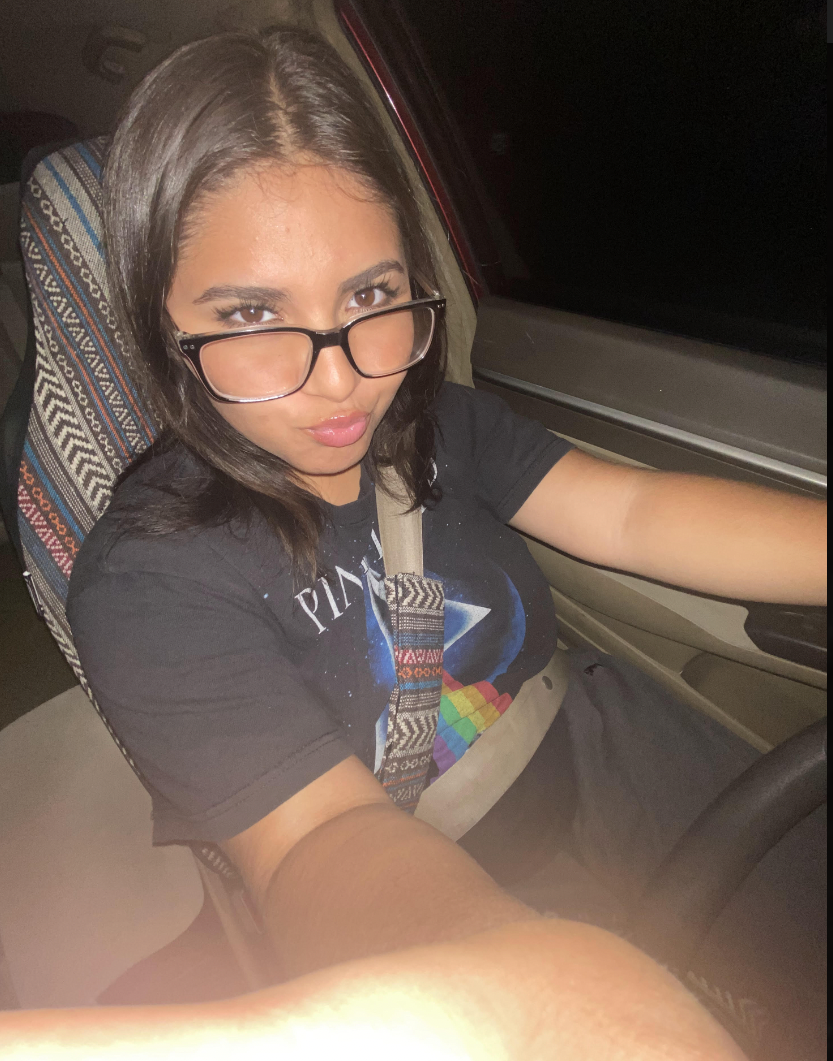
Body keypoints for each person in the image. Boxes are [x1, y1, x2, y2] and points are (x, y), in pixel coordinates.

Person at [1, 26, 824, 1060]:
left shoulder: (436, 425)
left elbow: (629, 513)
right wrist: (511, 993)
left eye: (371, 296)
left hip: (605, 741)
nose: (341, 379)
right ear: (162, 322)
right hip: (441, 873)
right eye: (252, 312)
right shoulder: (150, 581)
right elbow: (316, 841)